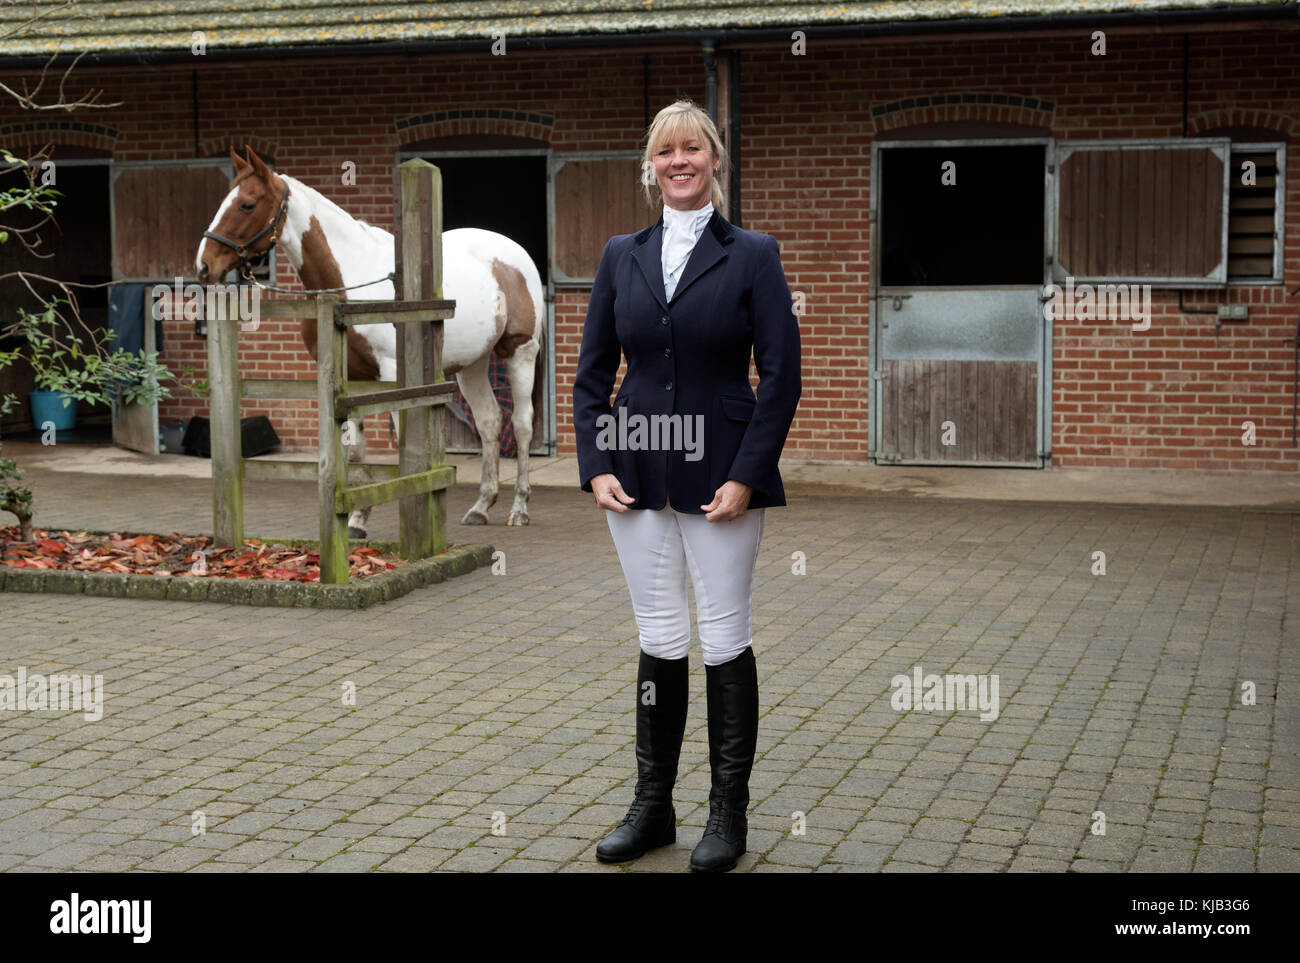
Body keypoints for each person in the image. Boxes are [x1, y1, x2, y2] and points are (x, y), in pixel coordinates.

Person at [572, 99, 802, 872]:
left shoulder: (754, 254)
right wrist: (596, 462)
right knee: (659, 637)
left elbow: (781, 376)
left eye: (693, 148)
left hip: (721, 471)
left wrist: (747, 474)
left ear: (714, 160)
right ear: (651, 166)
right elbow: (591, 375)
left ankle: (726, 814)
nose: (680, 160)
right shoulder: (618, 254)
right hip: (634, 465)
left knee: (724, 637)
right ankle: (653, 807)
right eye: (666, 150)